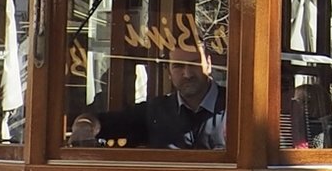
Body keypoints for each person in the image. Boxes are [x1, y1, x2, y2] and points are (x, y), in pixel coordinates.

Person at [72, 40, 226, 149]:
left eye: (194, 64)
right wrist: (84, 125)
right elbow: (106, 123)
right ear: (169, 72)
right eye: (178, 66)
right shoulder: (156, 111)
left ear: (209, 64)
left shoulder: (234, 107)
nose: (187, 74)